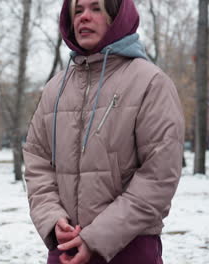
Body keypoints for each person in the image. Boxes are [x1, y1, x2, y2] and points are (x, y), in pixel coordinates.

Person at [22, 0, 185, 263]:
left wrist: (97, 239)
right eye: (78, 10)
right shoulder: (55, 89)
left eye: (96, 8)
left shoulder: (150, 83)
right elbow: (37, 161)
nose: (84, 18)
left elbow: (159, 176)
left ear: (117, 17)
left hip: (129, 248)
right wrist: (53, 219)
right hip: (65, 249)